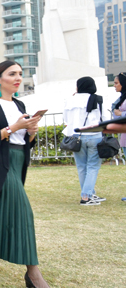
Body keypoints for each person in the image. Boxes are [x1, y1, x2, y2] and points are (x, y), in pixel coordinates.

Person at [0, 61, 59, 288]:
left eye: (20, 74)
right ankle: (34, 273)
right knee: (24, 213)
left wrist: (30, 132)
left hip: (17, 162)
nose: (18, 77)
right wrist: (13, 128)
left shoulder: (20, 104)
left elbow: (24, 142)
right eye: (12, 74)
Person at [63, 76, 110, 205]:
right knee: (93, 166)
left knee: (82, 167)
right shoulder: (98, 99)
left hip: (76, 136)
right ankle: (86, 197)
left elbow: (66, 119)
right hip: (94, 135)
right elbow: (106, 118)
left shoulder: (70, 100)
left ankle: (90, 194)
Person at [111, 73, 126, 157]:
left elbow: (117, 113)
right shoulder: (122, 98)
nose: (114, 85)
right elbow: (115, 114)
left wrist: (121, 113)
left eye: (116, 83)